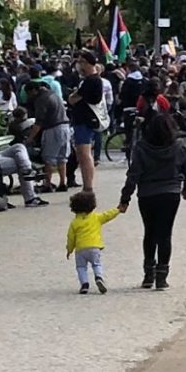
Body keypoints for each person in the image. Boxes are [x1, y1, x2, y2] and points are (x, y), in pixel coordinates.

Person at [119, 113, 186, 290]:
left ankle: (148, 274)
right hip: (170, 192)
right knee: (165, 234)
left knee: (150, 232)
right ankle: (162, 276)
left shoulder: (141, 148)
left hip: (147, 194)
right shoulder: (179, 146)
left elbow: (134, 174)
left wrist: (125, 198)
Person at [66, 190, 120, 294]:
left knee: (81, 267)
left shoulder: (74, 222)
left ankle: (84, 284)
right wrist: (118, 210)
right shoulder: (96, 217)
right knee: (96, 264)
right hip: (94, 247)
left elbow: (71, 237)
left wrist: (69, 249)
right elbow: (108, 215)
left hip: (80, 249)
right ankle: (99, 277)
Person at [69, 50, 106, 192]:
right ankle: (87, 184)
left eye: (81, 62)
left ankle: (88, 186)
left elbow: (74, 98)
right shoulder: (89, 80)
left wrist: (75, 96)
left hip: (84, 121)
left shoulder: (91, 81)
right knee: (82, 154)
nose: (78, 65)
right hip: (83, 120)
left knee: (84, 154)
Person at [26, 81, 71, 193]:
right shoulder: (53, 94)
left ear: (33, 90)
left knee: (48, 158)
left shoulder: (41, 99)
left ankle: (47, 184)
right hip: (65, 127)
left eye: (29, 93)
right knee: (62, 157)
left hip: (52, 129)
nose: (29, 97)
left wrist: (30, 138)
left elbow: (38, 122)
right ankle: (62, 183)